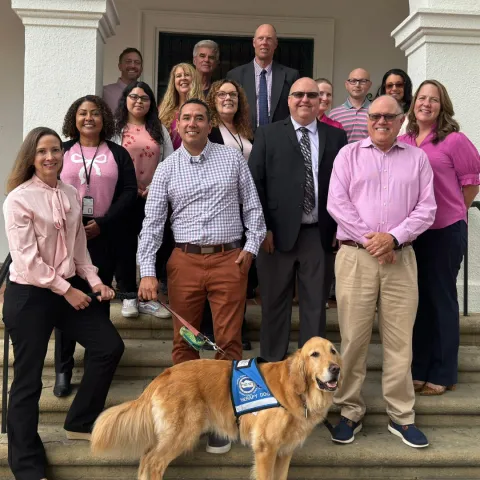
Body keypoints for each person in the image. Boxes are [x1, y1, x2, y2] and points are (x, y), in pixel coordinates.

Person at [137, 98, 266, 454]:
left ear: (210, 125)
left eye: (199, 118)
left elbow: (253, 208)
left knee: (229, 341)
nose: (192, 123)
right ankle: (186, 413)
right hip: (185, 262)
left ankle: (224, 419)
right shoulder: (166, 168)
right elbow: (152, 225)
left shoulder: (232, 159)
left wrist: (250, 249)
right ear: (177, 126)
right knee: (185, 342)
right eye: (186, 119)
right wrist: (147, 271)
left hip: (229, 260)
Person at [3, 127, 125, 480]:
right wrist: (67, 289)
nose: (50, 157)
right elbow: (25, 261)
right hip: (30, 295)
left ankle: (80, 420)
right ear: (31, 156)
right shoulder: (18, 199)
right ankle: (27, 466)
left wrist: (96, 282)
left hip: (68, 286)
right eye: (42, 151)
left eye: (56, 150)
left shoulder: (70, 193)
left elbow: (79, 250)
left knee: (108, 347)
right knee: (27, 381)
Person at [327, 95, 437, 448]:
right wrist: (373, 241)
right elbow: (337, 203)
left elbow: (426, 209)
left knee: (399, 342)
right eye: (375, 115)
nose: (381, 121)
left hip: (400, 260)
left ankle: (401, 417)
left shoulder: (417, 158)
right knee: (354, 340)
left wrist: (393, 238)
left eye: (389, 116)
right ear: (368, 119)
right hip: (356, 258)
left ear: (401, 119)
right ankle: (348, 410)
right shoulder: (348, 155)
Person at [249, 77, 347, 362]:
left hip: (319, 233)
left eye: (312, 95)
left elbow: (344, 185)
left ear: (321, 101)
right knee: (274, 306)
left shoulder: (336, 137)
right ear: (289, 100)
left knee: (315, 307)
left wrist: (339, 226)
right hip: (275, 236)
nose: (305, 100)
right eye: (298, 95)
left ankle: (312, 370)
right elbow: (255, 183)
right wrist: (263, 227)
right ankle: (273, 367)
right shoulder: (267, 134)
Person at [399, 80, 480, 396]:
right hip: (412, 234)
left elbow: (471, 184)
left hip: (444, 232)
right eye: (422, 98)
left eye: (433, 99)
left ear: (442, 105)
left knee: (441, 299)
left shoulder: (454, 141)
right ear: (414, 103)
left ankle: (444, 372)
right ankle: (419, 367)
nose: (426, 104)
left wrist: (455, 211)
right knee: (416, 301)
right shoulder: (404, 140)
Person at [53, 95, 136, 397]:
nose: (89, 118)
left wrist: (103, 222)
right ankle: (63, 368)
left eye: (95, 113)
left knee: (97, 302)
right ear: (73, 119)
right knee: (65, 303)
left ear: (105, 119)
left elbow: (128, 192)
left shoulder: (118, 153)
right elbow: (47, 187)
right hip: (65, 239)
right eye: (82, 113)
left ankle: (94, 364)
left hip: (104, 237)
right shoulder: (61, 150)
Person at [113, 81, 174, 319]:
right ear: (126, 100)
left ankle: (148, 298)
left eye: (144, 98)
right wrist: (129, 188)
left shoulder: (159, 128)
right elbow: (110, 160)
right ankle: (128, 295)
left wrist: (154, 186)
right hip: (124, 196)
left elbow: (169, 161)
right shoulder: (116, 128)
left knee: (158, 245)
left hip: (153, 195)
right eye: (134, 97)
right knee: (125, 246)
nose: (139, 101)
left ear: (151, 103)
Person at [203, 79, 255, 350]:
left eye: (233, 94)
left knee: (239, 272)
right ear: (213, 99)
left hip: (246, 207)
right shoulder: (208, 131)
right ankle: (213, 331)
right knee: (218, 274)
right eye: (221, 94)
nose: (227, 98)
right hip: (219, 210)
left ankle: (236, 329)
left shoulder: (246, 129)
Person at [227, 24, 299, 132]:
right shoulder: (235, 75)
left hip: (279, 138)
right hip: (246, 139)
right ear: (254, 42)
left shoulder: (290, 75)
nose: (264, 42)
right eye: (260, 38)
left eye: (269, 39)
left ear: (275, 44)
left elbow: (295, 109)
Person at [158, 62, 204, 150]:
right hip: (171, 160)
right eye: (178, 76)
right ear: (173, 82)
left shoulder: (205, 109)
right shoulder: (163, 110)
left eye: (187, 75)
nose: (183, 78)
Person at [329, 68, 372, 143]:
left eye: (363, 81)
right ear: (346, 85)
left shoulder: (377, 112)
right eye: (353, 81)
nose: (357, 85)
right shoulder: (334, 114)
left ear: (369, 85)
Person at [103, 47, 143, 113]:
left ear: (141, 68)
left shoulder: (146, 94)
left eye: (137, 62)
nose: (133, 65)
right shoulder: (105, 92)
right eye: (128, 62)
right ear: (120, 66)